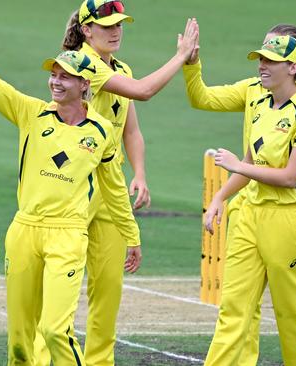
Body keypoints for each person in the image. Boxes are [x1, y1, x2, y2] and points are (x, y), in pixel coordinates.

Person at [0, 8, 142, 365]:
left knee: (54, 332)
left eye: (67, 77)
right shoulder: (31, 113)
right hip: (24, 232)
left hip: (67, 235)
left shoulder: (101, 133)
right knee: (19, 343)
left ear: (85, 86)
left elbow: (113, 189)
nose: (57, 82)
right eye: (54, 75)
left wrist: (132, 235)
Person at [30, 2, 199, 365]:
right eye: (106, 25)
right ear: (87, 30)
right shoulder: (80, 63)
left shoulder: (120, 68)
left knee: (108, 289)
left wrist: (139, 173)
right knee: (60, 288)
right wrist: (181, 57)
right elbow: (143, 91)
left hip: (109, 188)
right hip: (73, 186)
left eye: (119, 24)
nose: (115, 30)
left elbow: (131, 129)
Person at [184, 24, 296, 365]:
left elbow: (288, 177)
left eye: (270, 59)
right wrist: (220, 197)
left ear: (293, 67)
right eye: (260, 57)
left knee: (291, 316)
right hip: (251, 215)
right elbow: (254, 159)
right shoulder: (260, 100)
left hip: (290, 223)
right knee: (233, 311)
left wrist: (237, 167)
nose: (261, 65)